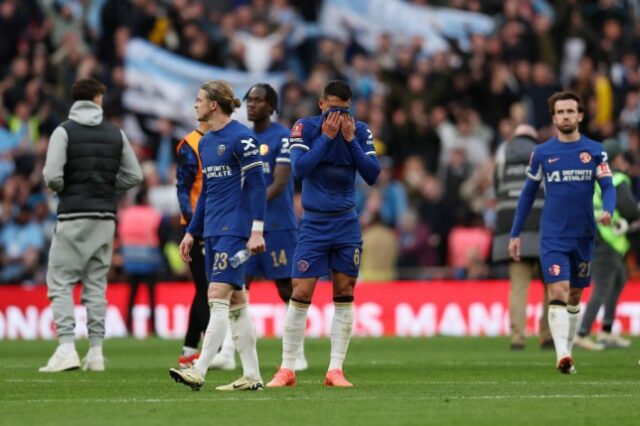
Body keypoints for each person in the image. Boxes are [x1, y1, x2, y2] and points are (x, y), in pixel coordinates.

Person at [267, 80, 380, 388]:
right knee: (301, 292)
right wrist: (328, 139)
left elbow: (372, 174)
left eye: (344, 110)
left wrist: (350, 140)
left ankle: (335, 370)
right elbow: (300, 169)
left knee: (344, 292)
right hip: (314, 224)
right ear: (321, 104)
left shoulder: (359, 130)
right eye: (332, 109)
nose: (338, 116)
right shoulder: (304, 128)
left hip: (346, 222)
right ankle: (287, 369)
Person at [39, 78, 143, 372]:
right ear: (98, 98)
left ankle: (67, 347)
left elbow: (51, 176)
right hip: (105, 218)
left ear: (76, 100)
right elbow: (134, 176)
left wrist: (69, 188)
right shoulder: (115, 133)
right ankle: (96, 353)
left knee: (60, 281)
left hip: (72, 214)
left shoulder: (64, 132)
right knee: (96, 284)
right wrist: (108, 188)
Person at [169, 80, 267, 391]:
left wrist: (257, 230)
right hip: (211, 231)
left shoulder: (242, 138)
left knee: (216, 297)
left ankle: (199, 370)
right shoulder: (207, 143)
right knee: (237, 304)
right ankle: (252, 376)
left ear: (214, 105)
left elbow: (258, 185)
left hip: (235, 231)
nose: (195, 105)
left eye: (199, 100)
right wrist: (190, 232)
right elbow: (207, 193)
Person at [509, 91, 616, 374]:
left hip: (584, 236)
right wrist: (515, 234)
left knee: (575, 296)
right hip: (553, 236)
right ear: (554, 118)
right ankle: (563, 355)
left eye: (571, 111)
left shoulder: (595, 151)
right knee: (557, 289)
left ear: (579, 116)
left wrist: (609, 209)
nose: (566, 116)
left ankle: (567, 348)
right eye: (560, 112)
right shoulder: (542, 153)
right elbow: (527, 195)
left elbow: (608, 185)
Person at [209, 83, 308, 371]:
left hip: (277, 225)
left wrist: (251, 203)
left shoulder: (283, 136)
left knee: (286, 288)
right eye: (249, 100)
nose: (252, 104)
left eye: (259, 100)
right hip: (245, 226)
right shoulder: (241, 136)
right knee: (237, 286)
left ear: (272, 106)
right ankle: (228, 352)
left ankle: (295, 353)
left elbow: (279, 181)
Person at [574, 139, 639, 350]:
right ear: (616, 158)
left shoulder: (594, 179)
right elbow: (629, 209)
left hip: (598, 236)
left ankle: (606, 331)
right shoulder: (618, 178)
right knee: (602, 287)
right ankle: (582, 332)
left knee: (618, 279)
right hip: (607, 240)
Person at [493, 124, 552, 351]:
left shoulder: (501, 158)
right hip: (542, 229)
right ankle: (547, 335)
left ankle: (517, 338)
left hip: (512, 230)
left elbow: (498, 189)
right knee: (550, 286)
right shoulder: (543, 156)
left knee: (518, 287)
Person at [174, 107, 210, 368]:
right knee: (207, 289)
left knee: (204, 288)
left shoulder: (222, 140)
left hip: (217, 224)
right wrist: (192, 225)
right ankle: (212, 348)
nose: (196, 106)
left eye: (200, 101)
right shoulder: (191, 145)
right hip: (198, 227)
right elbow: (183, 189)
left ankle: (189, 348)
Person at [119, 187, 162, 336]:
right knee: (151, 296)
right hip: (149, 260)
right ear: (145, 199)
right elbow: (160, 232)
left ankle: (128, 327)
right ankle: (153, 328)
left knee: (132, 295)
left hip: (130, 260)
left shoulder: (126, 214)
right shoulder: (153, 214)